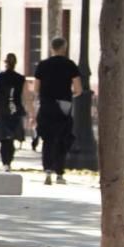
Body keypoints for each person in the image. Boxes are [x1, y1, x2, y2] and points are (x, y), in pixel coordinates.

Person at [34, 36, 81, 184]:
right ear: (64, 47)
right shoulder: (70, 65)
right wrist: (70, 95)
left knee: (48, 139)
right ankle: (59, 173)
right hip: (64, 105)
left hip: (47, 105)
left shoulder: (42, 65)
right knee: (62, 138)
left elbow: (36, 88)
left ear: (51, 48)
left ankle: (47, 170)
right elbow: (78, 89)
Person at [0, 53, 27, 171]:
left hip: (1, 110)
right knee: (10, 138)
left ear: (5, 63)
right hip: (15, 111)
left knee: (4, 139)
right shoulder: (20, 79)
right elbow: (27, 97)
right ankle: (8, 161)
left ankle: (5, 162)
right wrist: (31, 113)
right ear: (15, 64)